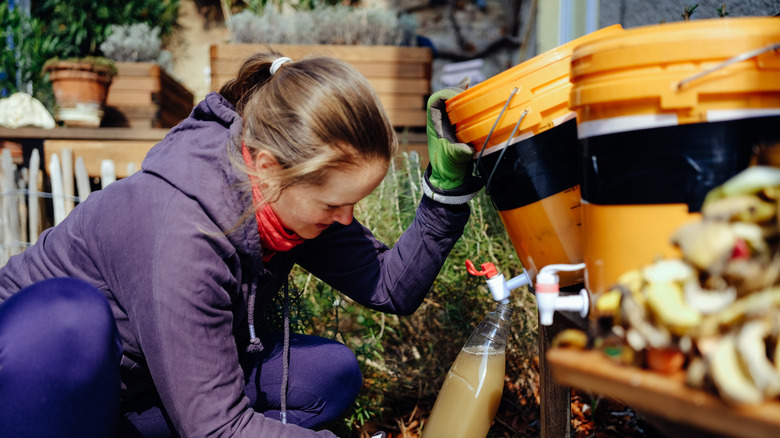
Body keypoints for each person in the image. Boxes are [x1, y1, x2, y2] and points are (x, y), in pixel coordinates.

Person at [0, 51, 480, 437]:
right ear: (269, 166)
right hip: (36, 389)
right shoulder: (186, 231)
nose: (347, 219)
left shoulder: (281, 201)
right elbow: (217, 427)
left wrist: (445, 194)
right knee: (68, 317)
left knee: (326, 376)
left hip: (139, 390)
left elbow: (389, 287)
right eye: (335, 203)